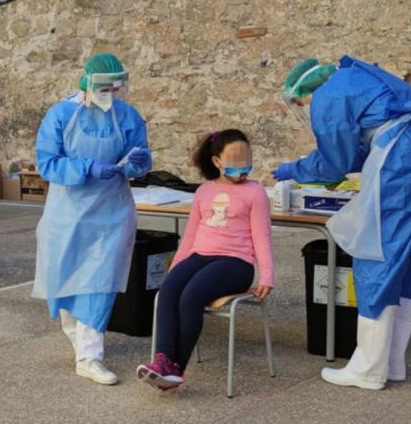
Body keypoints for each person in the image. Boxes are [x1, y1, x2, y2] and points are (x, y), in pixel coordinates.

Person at [273, 56, 411, 390]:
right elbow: (358, 146)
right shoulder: (354, 77)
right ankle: (391, 363)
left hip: (397, 165)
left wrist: (295, 169)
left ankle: (368, 370)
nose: (307, 107)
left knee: (375, 259)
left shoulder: (328, 96)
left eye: (302, 102)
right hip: (401, 157)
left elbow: (336, 162)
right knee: (404, 268)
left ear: (306, 91)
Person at [33, 53, 152, 385]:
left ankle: (89, 355)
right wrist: (86, 168)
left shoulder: (127, 116)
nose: (111, 94)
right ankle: (78, 337)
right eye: (105, 88)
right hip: (68, 211)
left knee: (99, 280)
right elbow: (47, 163)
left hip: (111, 210)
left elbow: (139, 159)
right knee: (68, 277)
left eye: (117, 88)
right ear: (87, 83)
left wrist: (136, 163)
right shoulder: (61, 115)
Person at [136, 129, 274, 390]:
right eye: (234, 163)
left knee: (192, 294)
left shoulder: (254, 192)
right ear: (217, 162)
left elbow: (262, 236)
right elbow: (190, 235)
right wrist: (177, 268)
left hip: (236, 263)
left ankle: (176, 369)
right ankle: (162, 359)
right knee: (169, 289)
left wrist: (267, 274)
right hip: (200, 256)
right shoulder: (204, 191)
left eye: (246, 161)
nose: (242, 169)